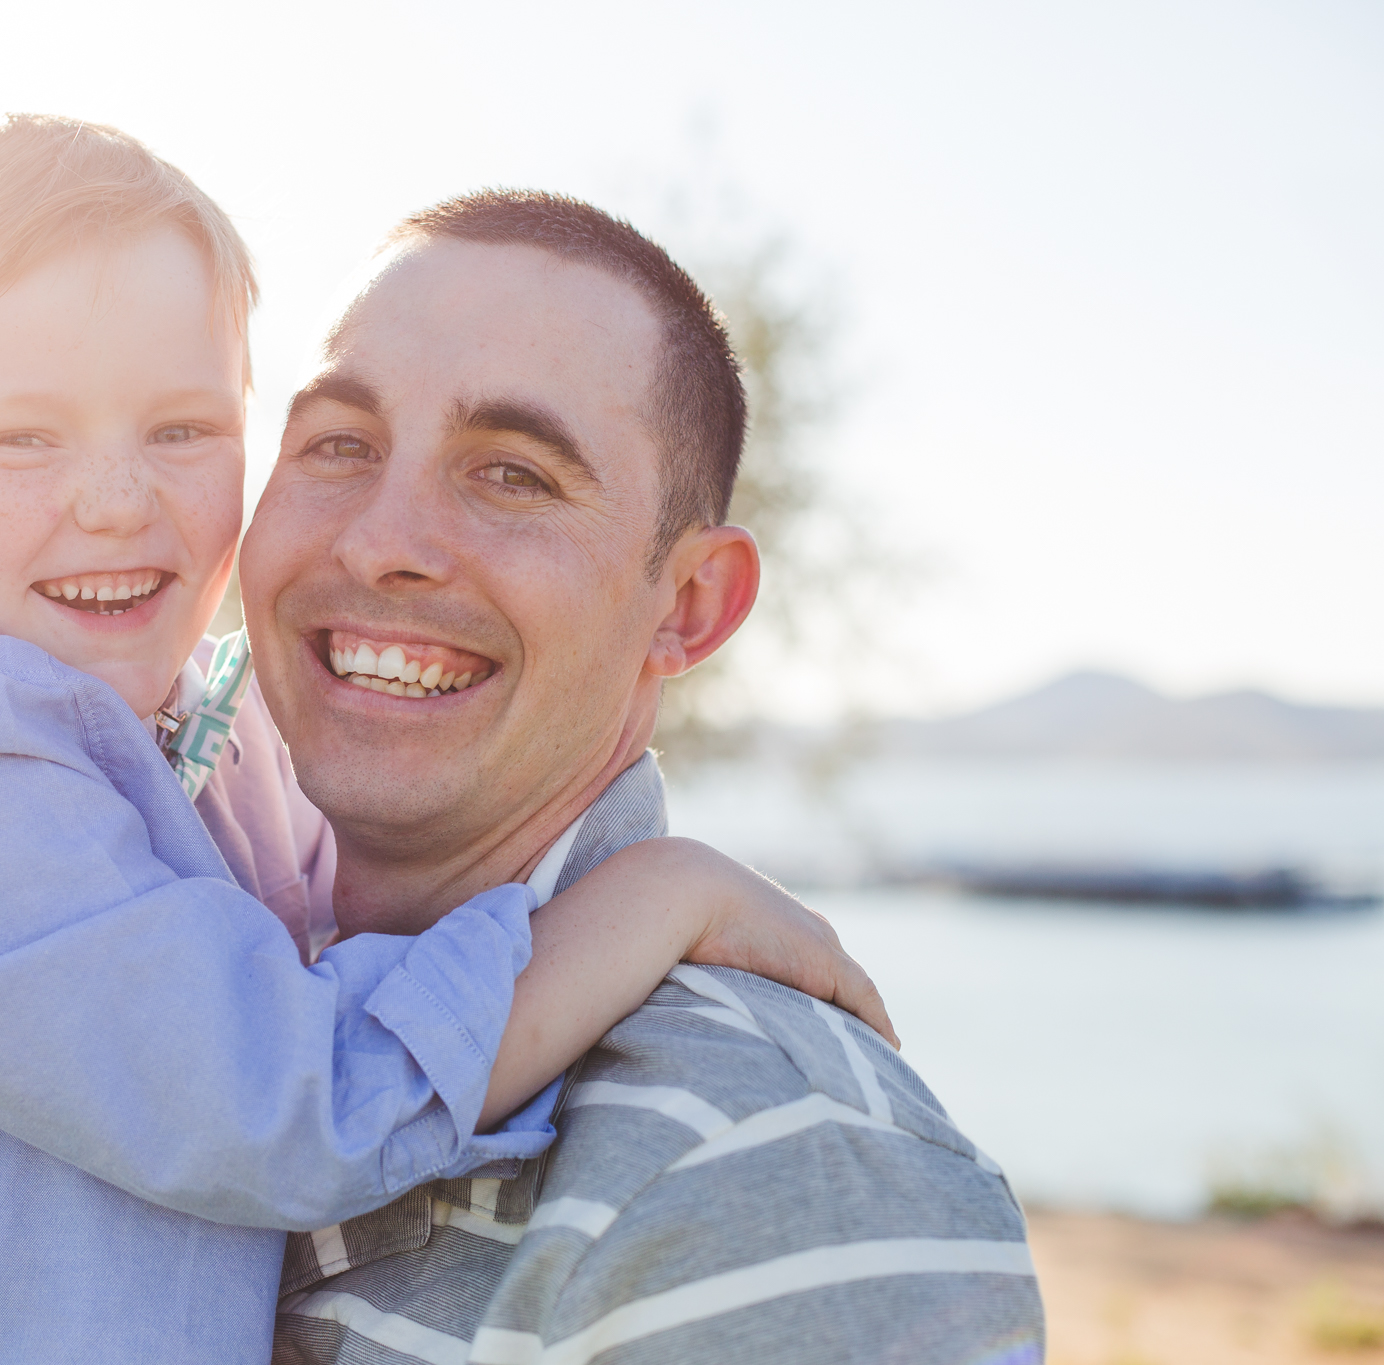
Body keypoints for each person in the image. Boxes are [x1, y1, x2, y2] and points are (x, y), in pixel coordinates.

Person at [0, 118, 892, 1364]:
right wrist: (651, 899)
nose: (118, 501)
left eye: (182, 429)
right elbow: (297, 1100)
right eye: (22, 435)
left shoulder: (193, 730)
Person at [245, 190, 1047, 1364]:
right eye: (336, 445)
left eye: (511, 474)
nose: (378, 539)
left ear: (686, 605)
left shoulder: (755, 1161)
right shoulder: (111, 951)